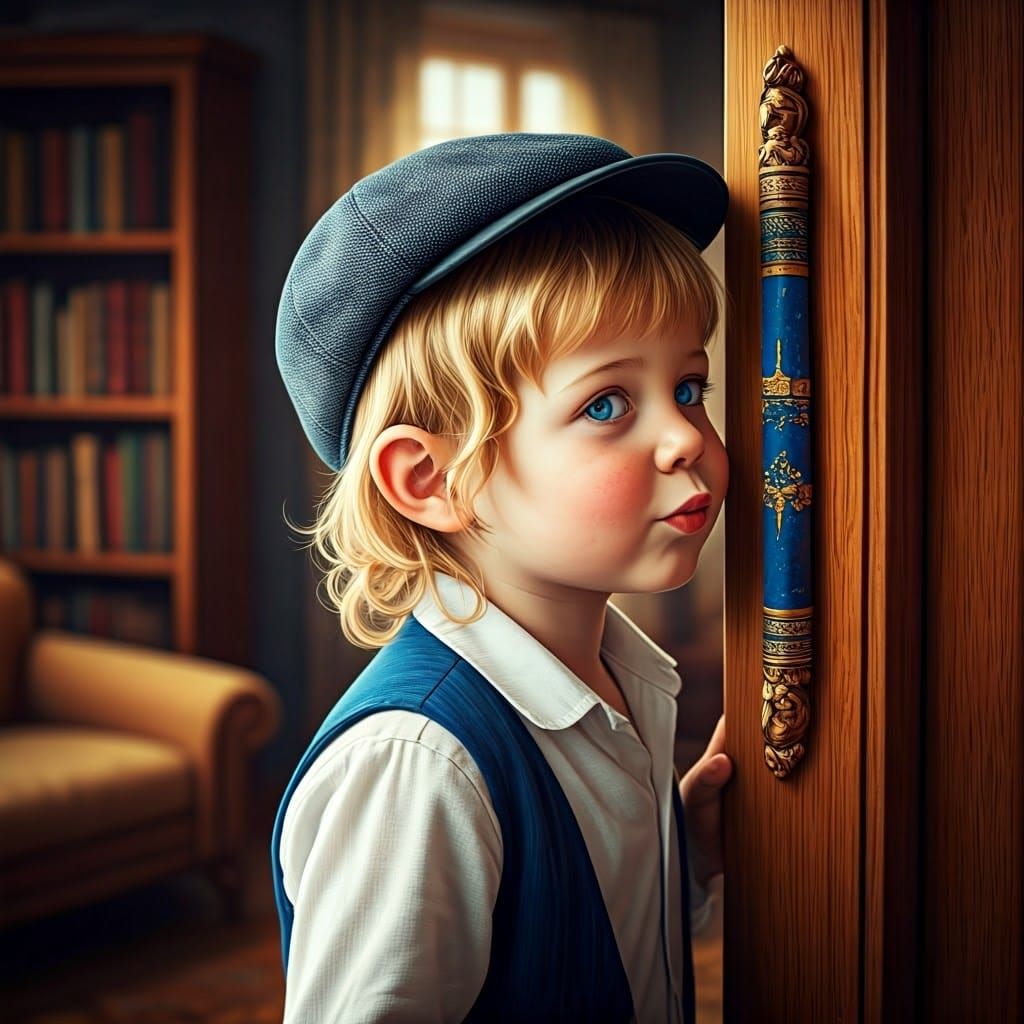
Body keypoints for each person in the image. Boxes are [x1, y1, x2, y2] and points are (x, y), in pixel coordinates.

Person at [271, 132, 735, 1024]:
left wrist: (684, 856)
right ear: (432, 480)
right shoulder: (417, 767)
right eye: (606, 404)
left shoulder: (618, 680)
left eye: (688, 386)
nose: (685, 438)